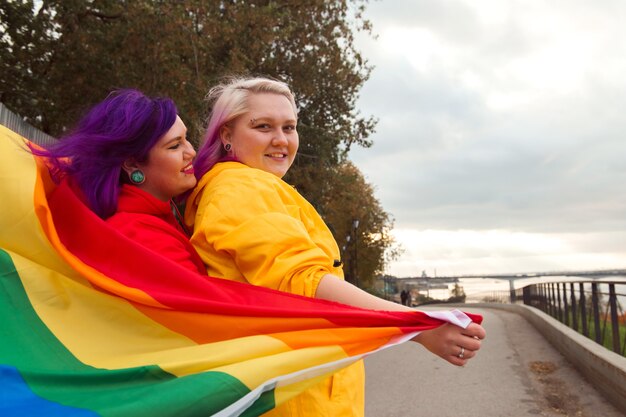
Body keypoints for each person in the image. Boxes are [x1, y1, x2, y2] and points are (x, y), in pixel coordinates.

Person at [185, 76, 486, 417]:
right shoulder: (241, 189)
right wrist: (419, 324)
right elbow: (305, 282)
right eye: (263, 126)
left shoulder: (253, 188)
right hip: (292, 398)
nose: (281, 140)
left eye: (289, 127)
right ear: (226, 134)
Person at [30, 89, 206, 274]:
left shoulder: (153, 214)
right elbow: (205, 301)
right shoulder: (141, 236)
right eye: (175, 146)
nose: (191, 152)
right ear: (131, 164)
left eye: (186, 139)